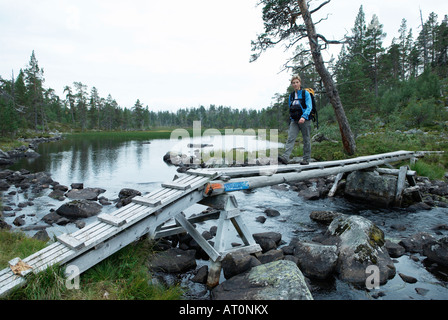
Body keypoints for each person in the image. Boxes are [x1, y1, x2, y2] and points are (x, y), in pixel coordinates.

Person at [278, 75, 312, 165]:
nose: (295, 84)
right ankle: (285, 158)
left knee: (306, 139)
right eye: (293, 83)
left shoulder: (306, 94)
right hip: (294, 120)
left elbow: (309, 107)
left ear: (300, 83)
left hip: (305, 120)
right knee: (290, 138)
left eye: (297, 82)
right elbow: (290, 107)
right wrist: (292, 117)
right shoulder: (292, 95)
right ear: (292, 84)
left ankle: (306, 159)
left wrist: (303, 117)